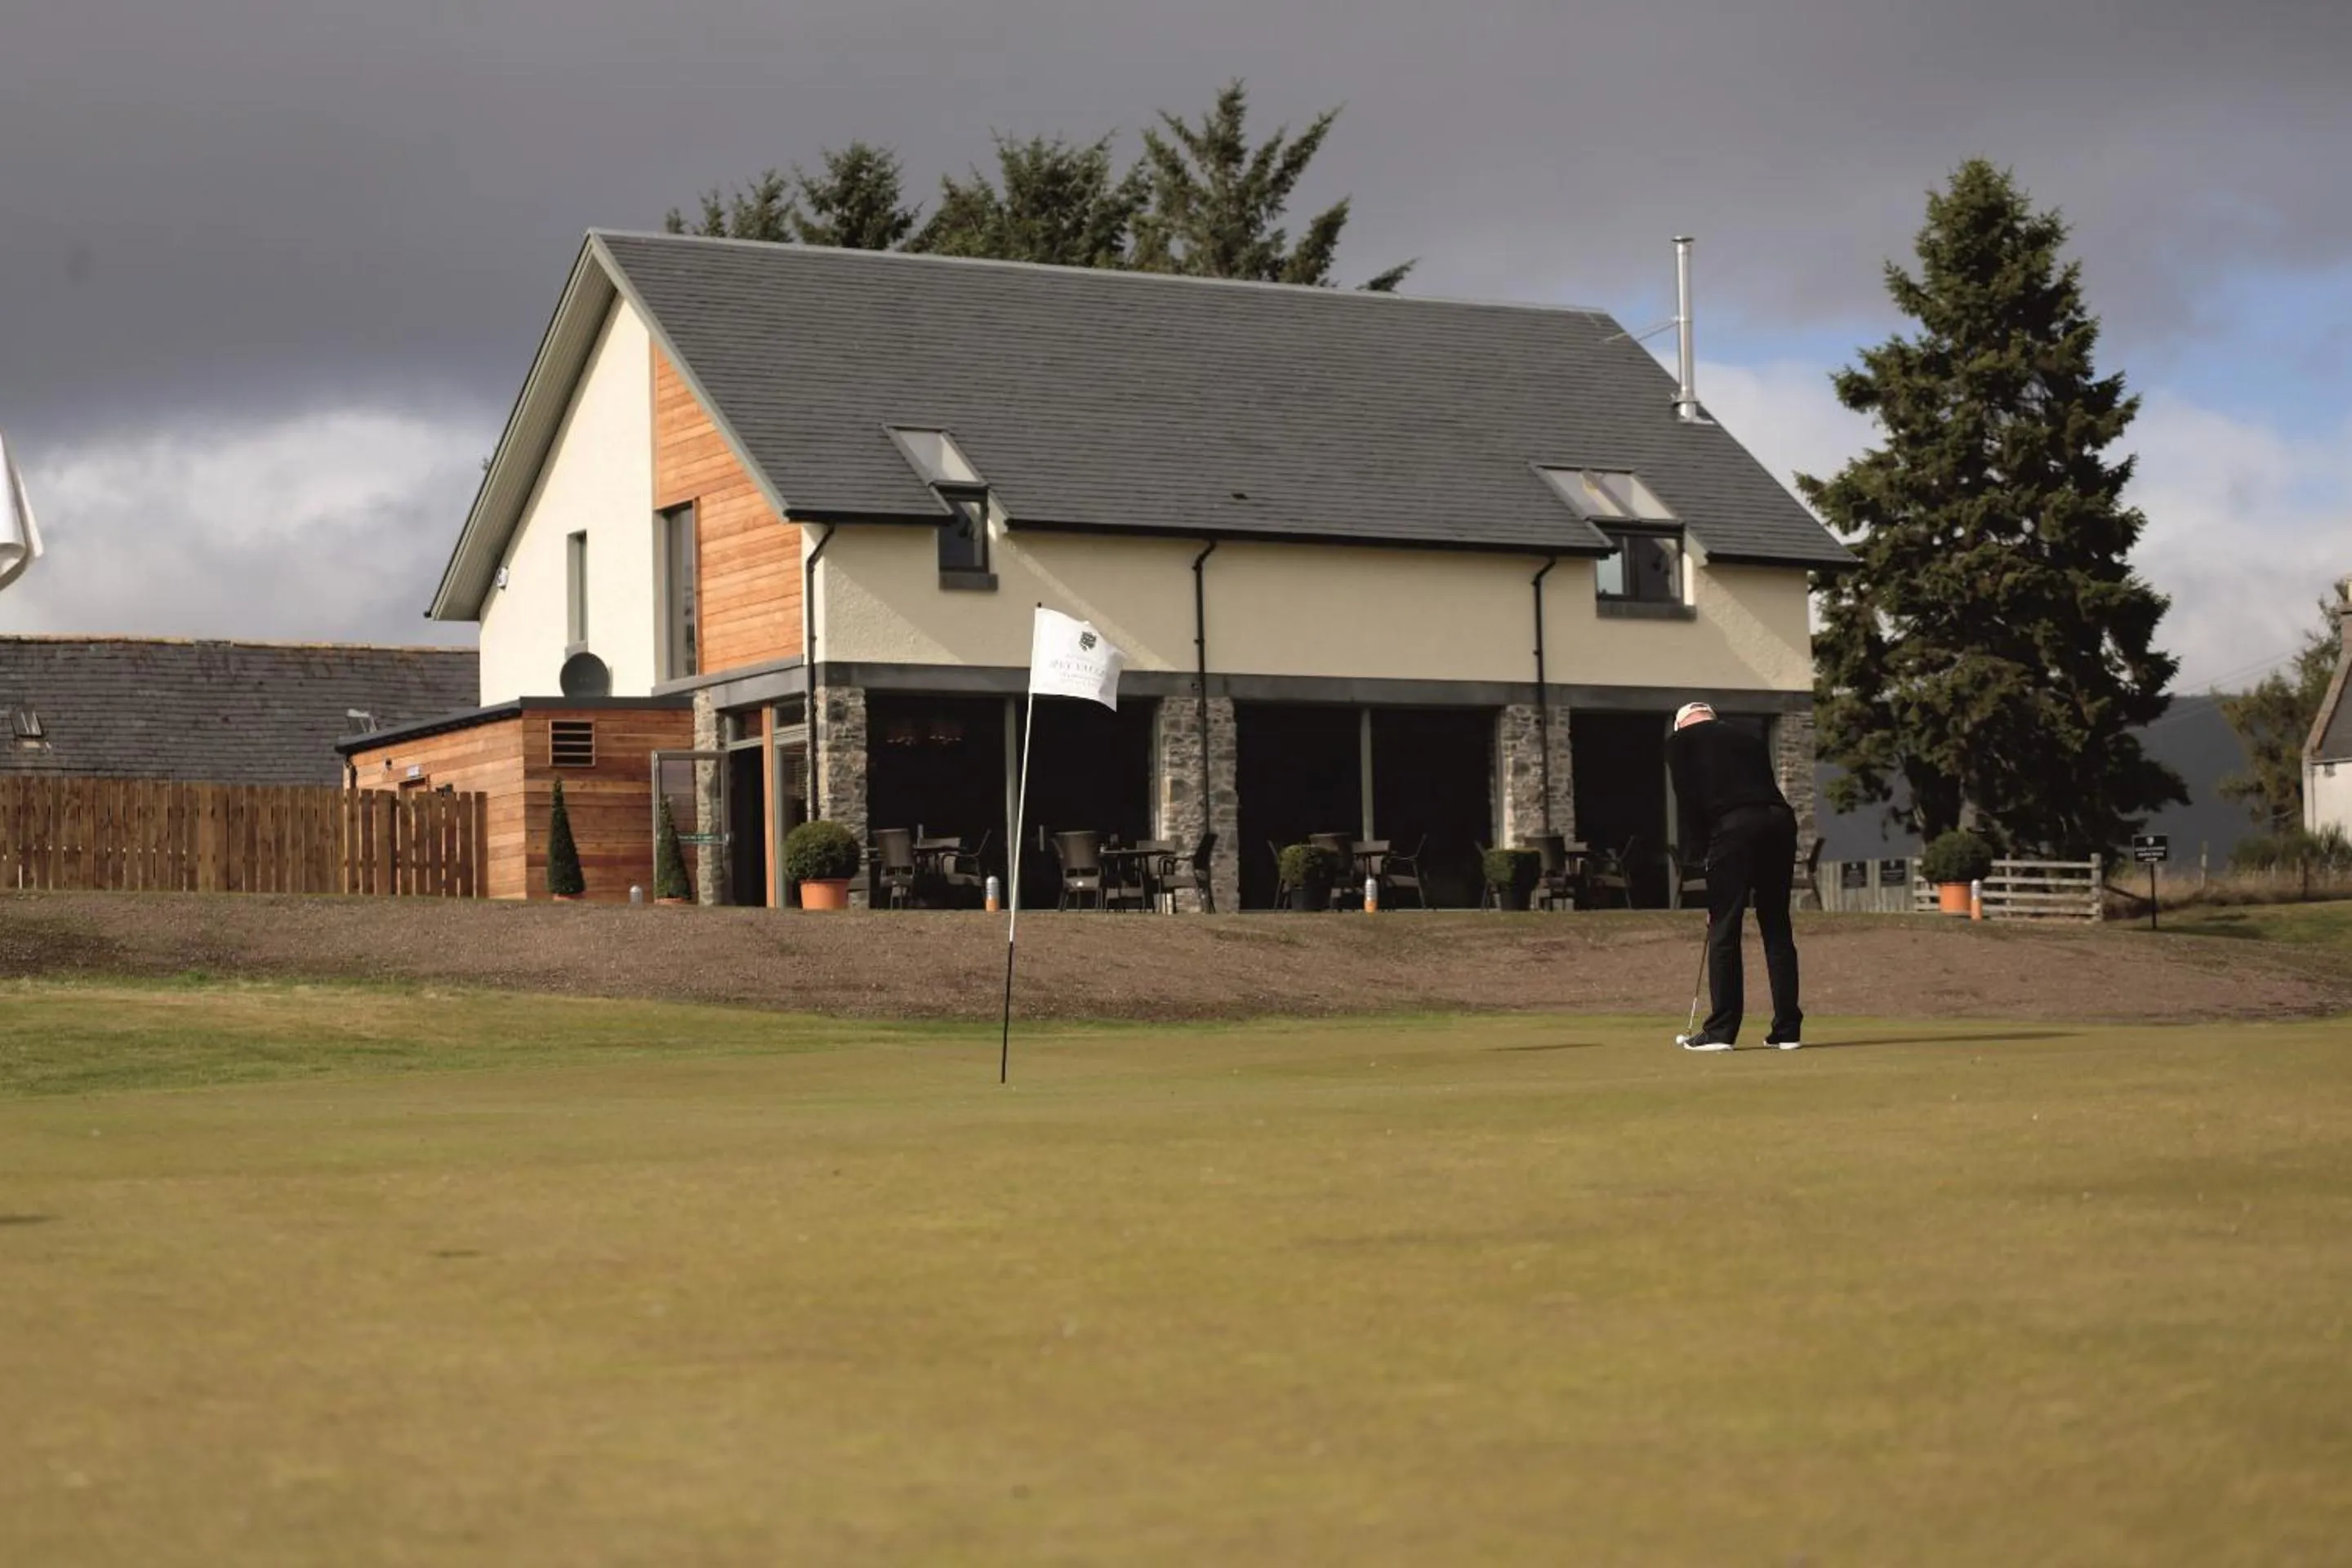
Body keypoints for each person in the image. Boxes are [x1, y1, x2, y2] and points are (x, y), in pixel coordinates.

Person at [1664, 702, 1802, 1052]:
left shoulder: (1680, 742)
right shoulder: (1748, 737)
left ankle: (1720, 1031)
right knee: (1776, 923)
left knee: (1724, 925)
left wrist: (1701, 860)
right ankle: (1787, 1031)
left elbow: (1689, 803)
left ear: (1681, 725)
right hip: (1780, 822)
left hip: (1735, 825)